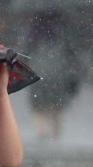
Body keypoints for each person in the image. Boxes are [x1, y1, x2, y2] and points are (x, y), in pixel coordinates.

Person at [24, 12, 83, 141]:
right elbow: (72, 56)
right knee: (57, 106)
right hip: (58, 74)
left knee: (38, 106)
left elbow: (26, 52)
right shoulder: (63, 29)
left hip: (38, 73)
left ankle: (42, 131)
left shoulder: (35, 29)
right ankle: (56, 135)